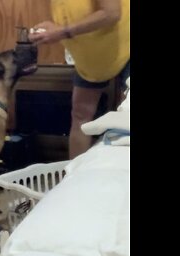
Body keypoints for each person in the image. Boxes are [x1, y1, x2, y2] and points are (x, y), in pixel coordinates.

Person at [28, 0, 130, 159]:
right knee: (80, 114)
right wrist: (52, 28)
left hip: (125, 40)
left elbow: (111, 13)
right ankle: (73, 175)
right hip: (91, 51)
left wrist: (61, 32)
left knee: (127, 116)